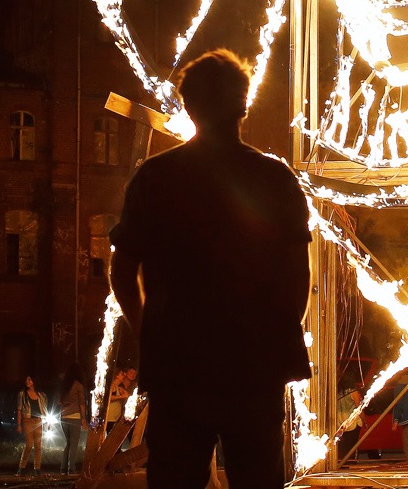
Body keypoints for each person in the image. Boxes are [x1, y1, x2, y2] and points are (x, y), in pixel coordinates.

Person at [108, 49, 312, 489]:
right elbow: (297, 277)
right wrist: (274, 334)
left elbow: (122, 270)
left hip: (179, 364)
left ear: (188, 106)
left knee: (176, 478)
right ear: (243, 104)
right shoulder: (275, 180)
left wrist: (150, 331)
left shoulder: (155, 178)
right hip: (255, 365)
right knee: (257, 478)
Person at [17, 375, 47, 475]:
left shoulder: (41, 395)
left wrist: (46, 421)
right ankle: (21, 467)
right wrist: (19, 424)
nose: (27, 381)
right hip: (28, 421)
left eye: (29, 379)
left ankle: (37, 469)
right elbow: (19, 409)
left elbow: (44, 408)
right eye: (26, 380)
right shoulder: (22, 394)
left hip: (38, 421)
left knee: (38, 446)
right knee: (29, 445)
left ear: (34, 381)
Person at [60, 370, 88, 474]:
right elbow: (82, 403)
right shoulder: (78, 386)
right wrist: (84, 419)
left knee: (68, 443)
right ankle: (71, 468)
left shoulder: (64, 386)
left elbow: (59, 401)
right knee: (74, 445)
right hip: (74, 417)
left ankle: (63, 467)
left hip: (63, 417)